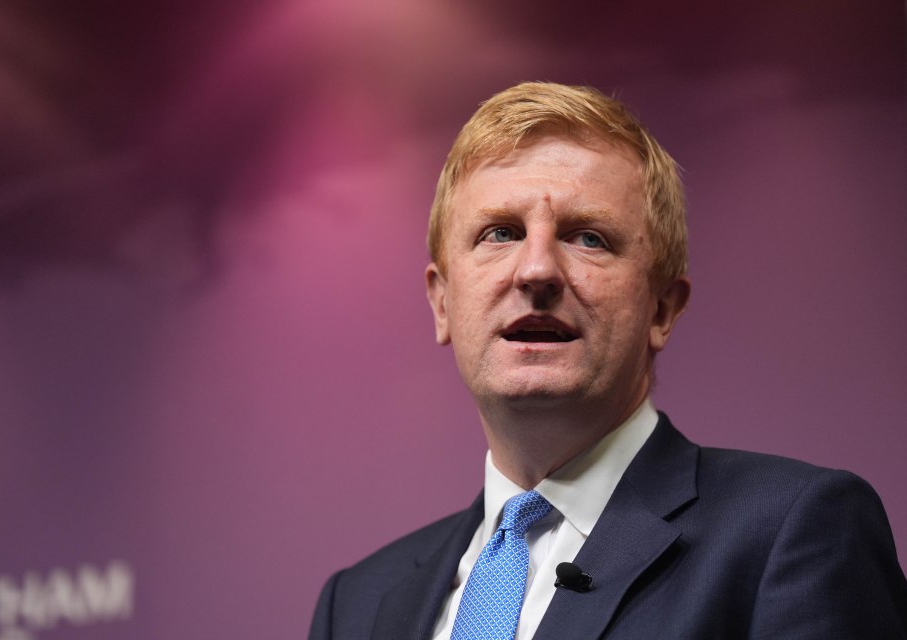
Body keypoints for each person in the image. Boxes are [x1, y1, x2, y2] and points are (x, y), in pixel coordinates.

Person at [308, 82, 907, 639]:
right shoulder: (357, 605)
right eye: (499, 233)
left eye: (588, 236)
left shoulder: (795, 532)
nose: (537, 270)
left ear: (662, 309)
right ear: (442, 302)